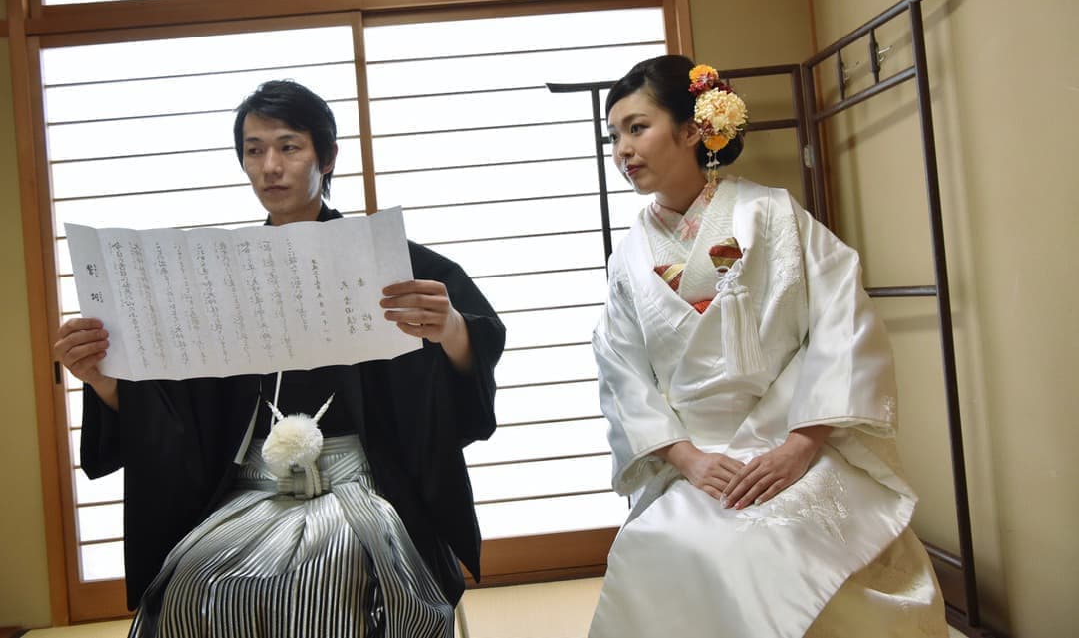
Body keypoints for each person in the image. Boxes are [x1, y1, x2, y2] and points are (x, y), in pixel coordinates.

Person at [53, 80, 505, 638]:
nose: (270, 165)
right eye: (254, 149)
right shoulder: (216, 272)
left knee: (326, 584)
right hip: (247, 488)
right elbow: (173, 410)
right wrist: (103, 379)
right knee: (194, 587)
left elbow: (471, 354)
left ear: (326, 156)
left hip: (364, 485)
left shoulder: (395, 262)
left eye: (289, 146)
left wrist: (452, 330)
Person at [588, 55, 949, 638]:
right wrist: (687, 459)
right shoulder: (629, 257)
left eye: (637, 127)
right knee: (666, 542)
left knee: (786, 552)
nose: (622, 149)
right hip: (696, 460)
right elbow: (621, 370)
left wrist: (800, 446)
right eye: (614, 135)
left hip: (792, 442)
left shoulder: (772, 213)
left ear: (691, 129)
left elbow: (843, 322)